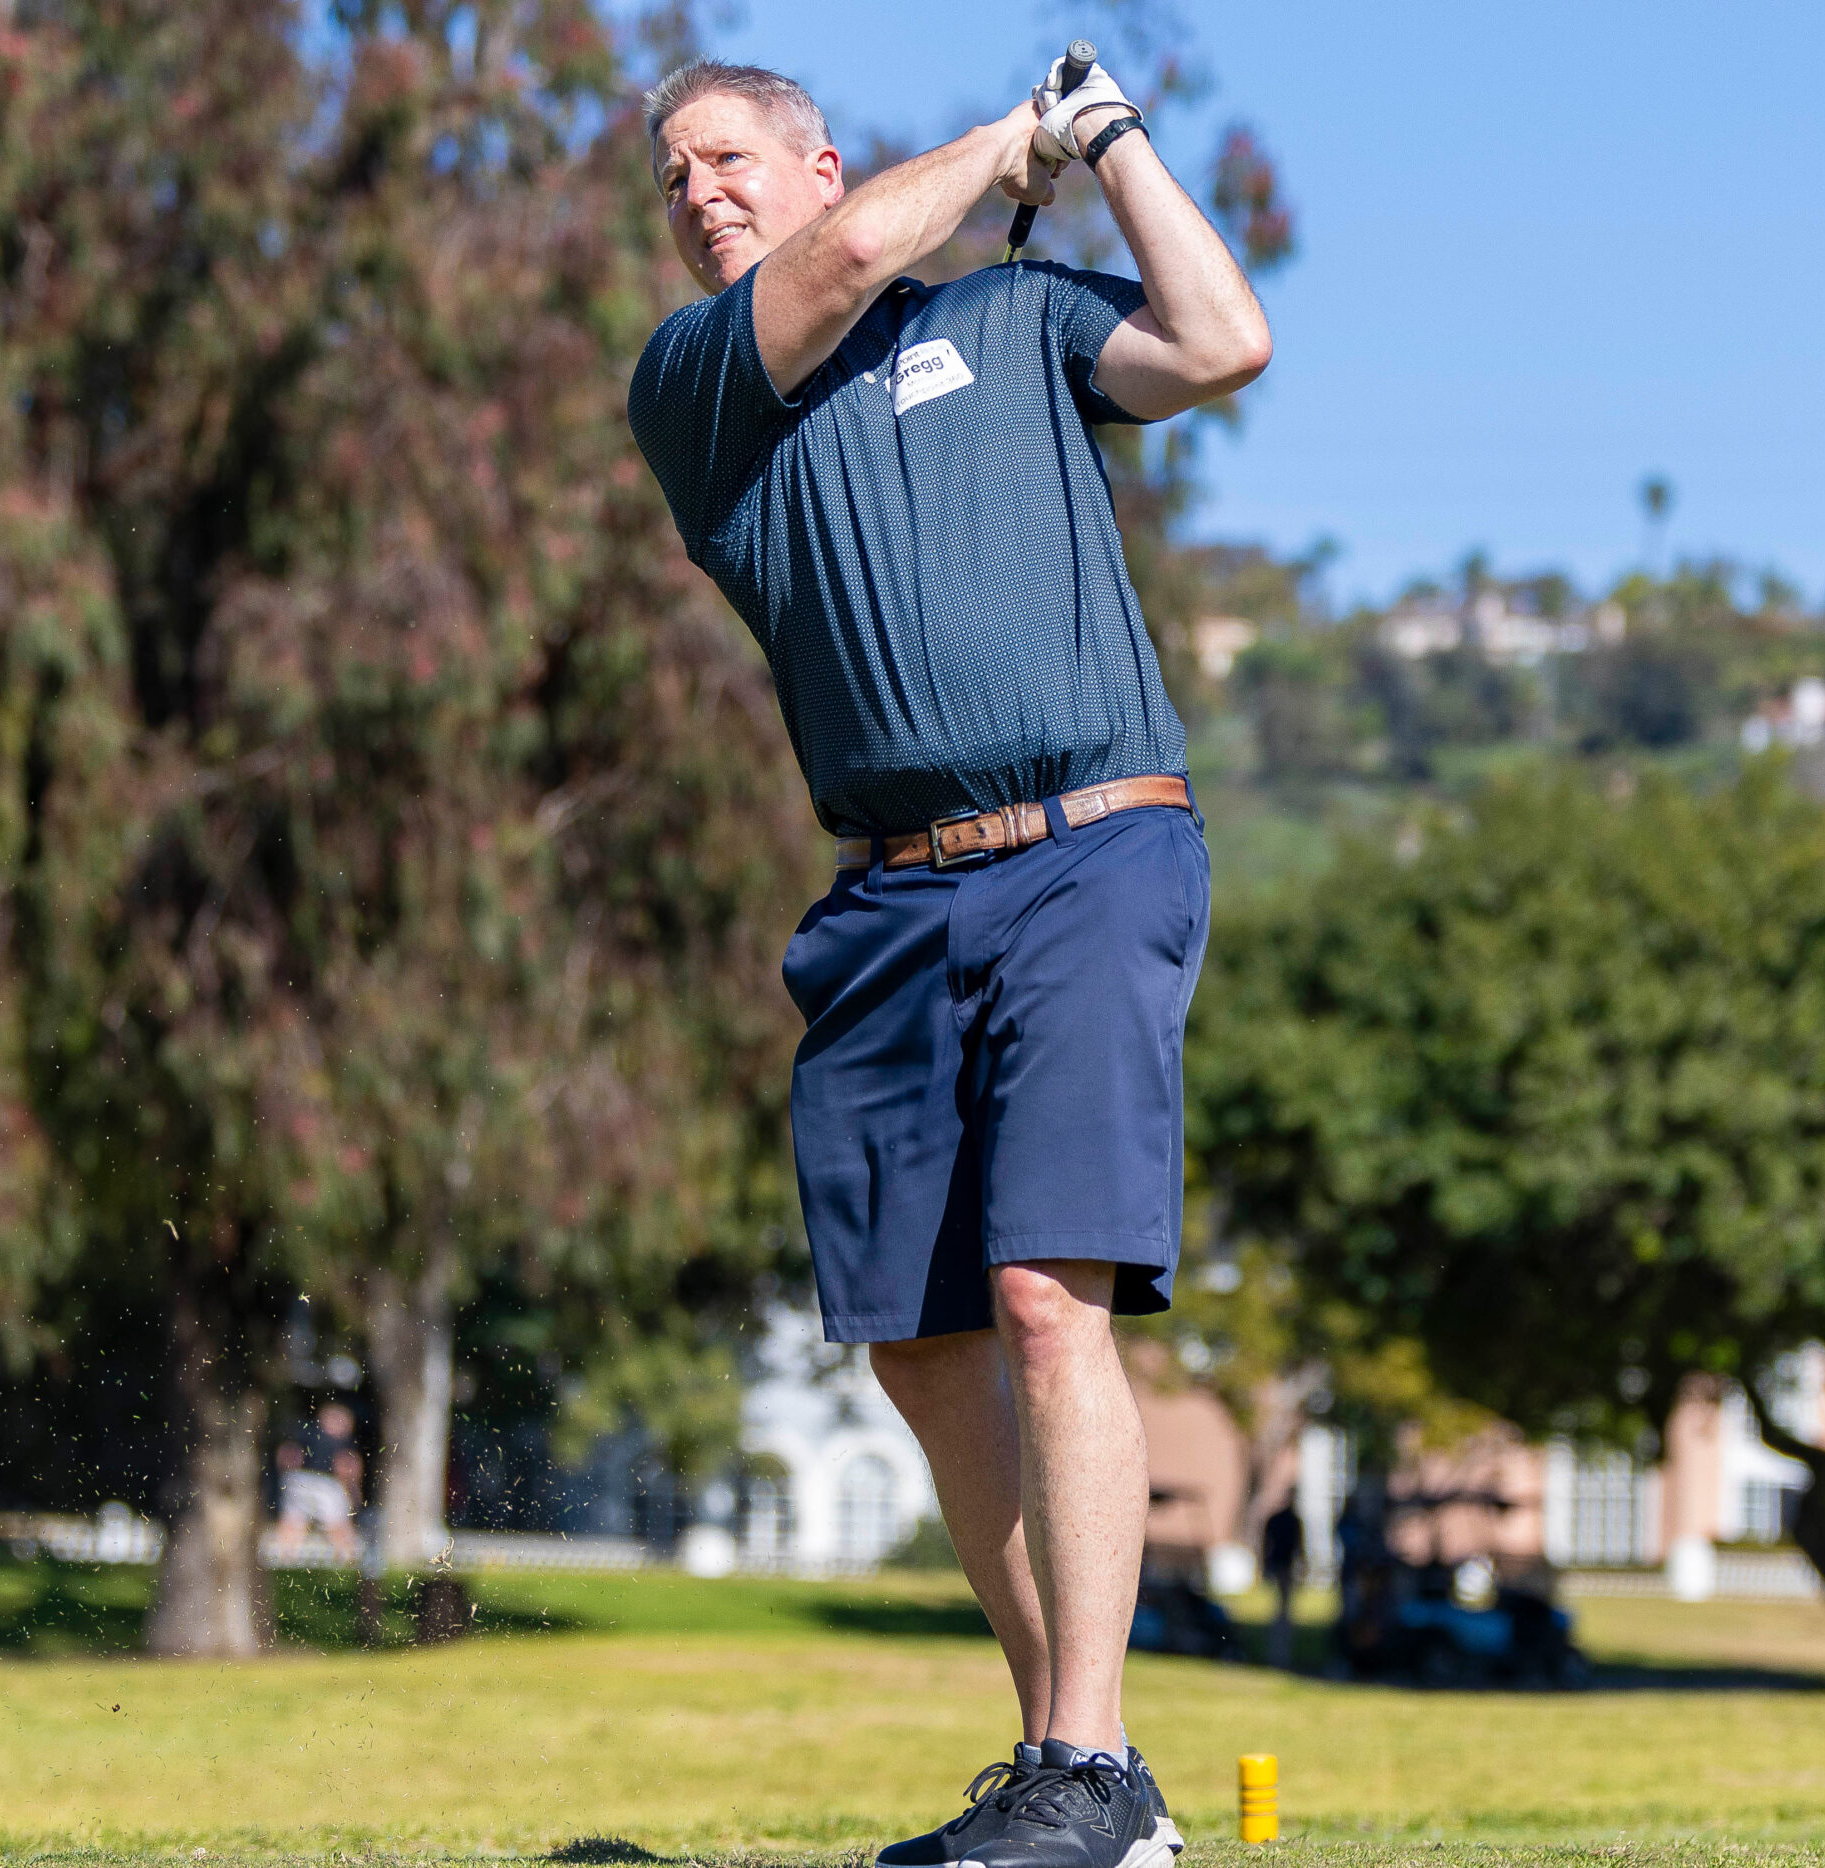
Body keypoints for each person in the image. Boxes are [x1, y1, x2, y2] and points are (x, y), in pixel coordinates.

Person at [626, 49, 1270, 1868]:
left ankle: (1086, 1760)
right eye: (673, 178)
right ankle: (1090, 1780)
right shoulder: (701, 385)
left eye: (727, 159)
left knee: (1049, 1298)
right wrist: (1010, 143)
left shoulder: (1015, 316)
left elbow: (1223, 341)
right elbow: (833, 274)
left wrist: (1109, 138)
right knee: (919, 1342)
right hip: (888, 902)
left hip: (1092, 847)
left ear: (821, 160)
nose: (698, 194)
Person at [270, 1399, 362, 1562]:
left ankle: (283, 1560)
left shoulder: (304, 1432)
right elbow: (346, 1466)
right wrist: (353, 1490)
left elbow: (286, 1455)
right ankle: (349, 1560)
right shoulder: (342, 1443)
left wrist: (285, 1477)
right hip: (327, 1483)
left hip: (298, 1479)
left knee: (293, 1521)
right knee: (338, 1525)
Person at [1260, 1498, 1303, 1669]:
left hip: (1282, 1567)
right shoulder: (1289, 1520)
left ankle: (1279, 1652)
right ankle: (1277, 1653)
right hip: (1281, 1567)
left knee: (1282, 1611)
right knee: (1282, 1611)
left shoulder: (1286, 1520)